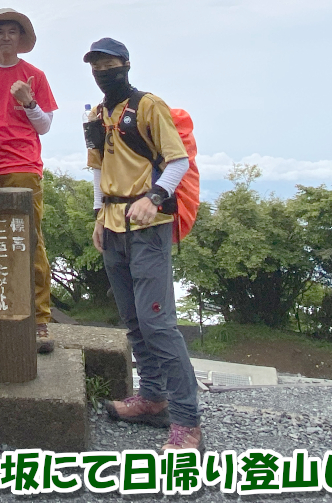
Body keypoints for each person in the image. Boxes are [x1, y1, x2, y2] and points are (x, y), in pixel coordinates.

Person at [83, 37, 203, 451]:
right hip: (113, 224)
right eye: (96, 66)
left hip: (149, 226)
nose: (103, 72)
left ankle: (187, 422)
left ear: (126, 65)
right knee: (133, 319)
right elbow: (98, 169)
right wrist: (100, 215)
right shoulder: (97, 114)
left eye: (109, 64)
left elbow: (178, 161)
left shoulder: (149, 106)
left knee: (158, 324)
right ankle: (152, 399)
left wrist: (154, 198)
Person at [0, 8, 58, 353]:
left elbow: (45, 125)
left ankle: (40, 319)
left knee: (28, 239)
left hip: (23, 165)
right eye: (0, 32)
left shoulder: (34, 75)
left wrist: (27, 102)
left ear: (20, 38)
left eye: (12, 31)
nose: (6, 37)